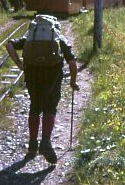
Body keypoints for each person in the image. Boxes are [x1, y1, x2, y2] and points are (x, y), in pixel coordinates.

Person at [6, 18, 79, 163]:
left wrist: (19, 64)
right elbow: (72, 63)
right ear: (56, 27)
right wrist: (72, 81)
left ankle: (32, 145)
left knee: (35, 106)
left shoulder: (29, 37)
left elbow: (9, 45)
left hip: (32, 75)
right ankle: (45, 142)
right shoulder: (59, 38)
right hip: (52, 77)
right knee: (50, 108)